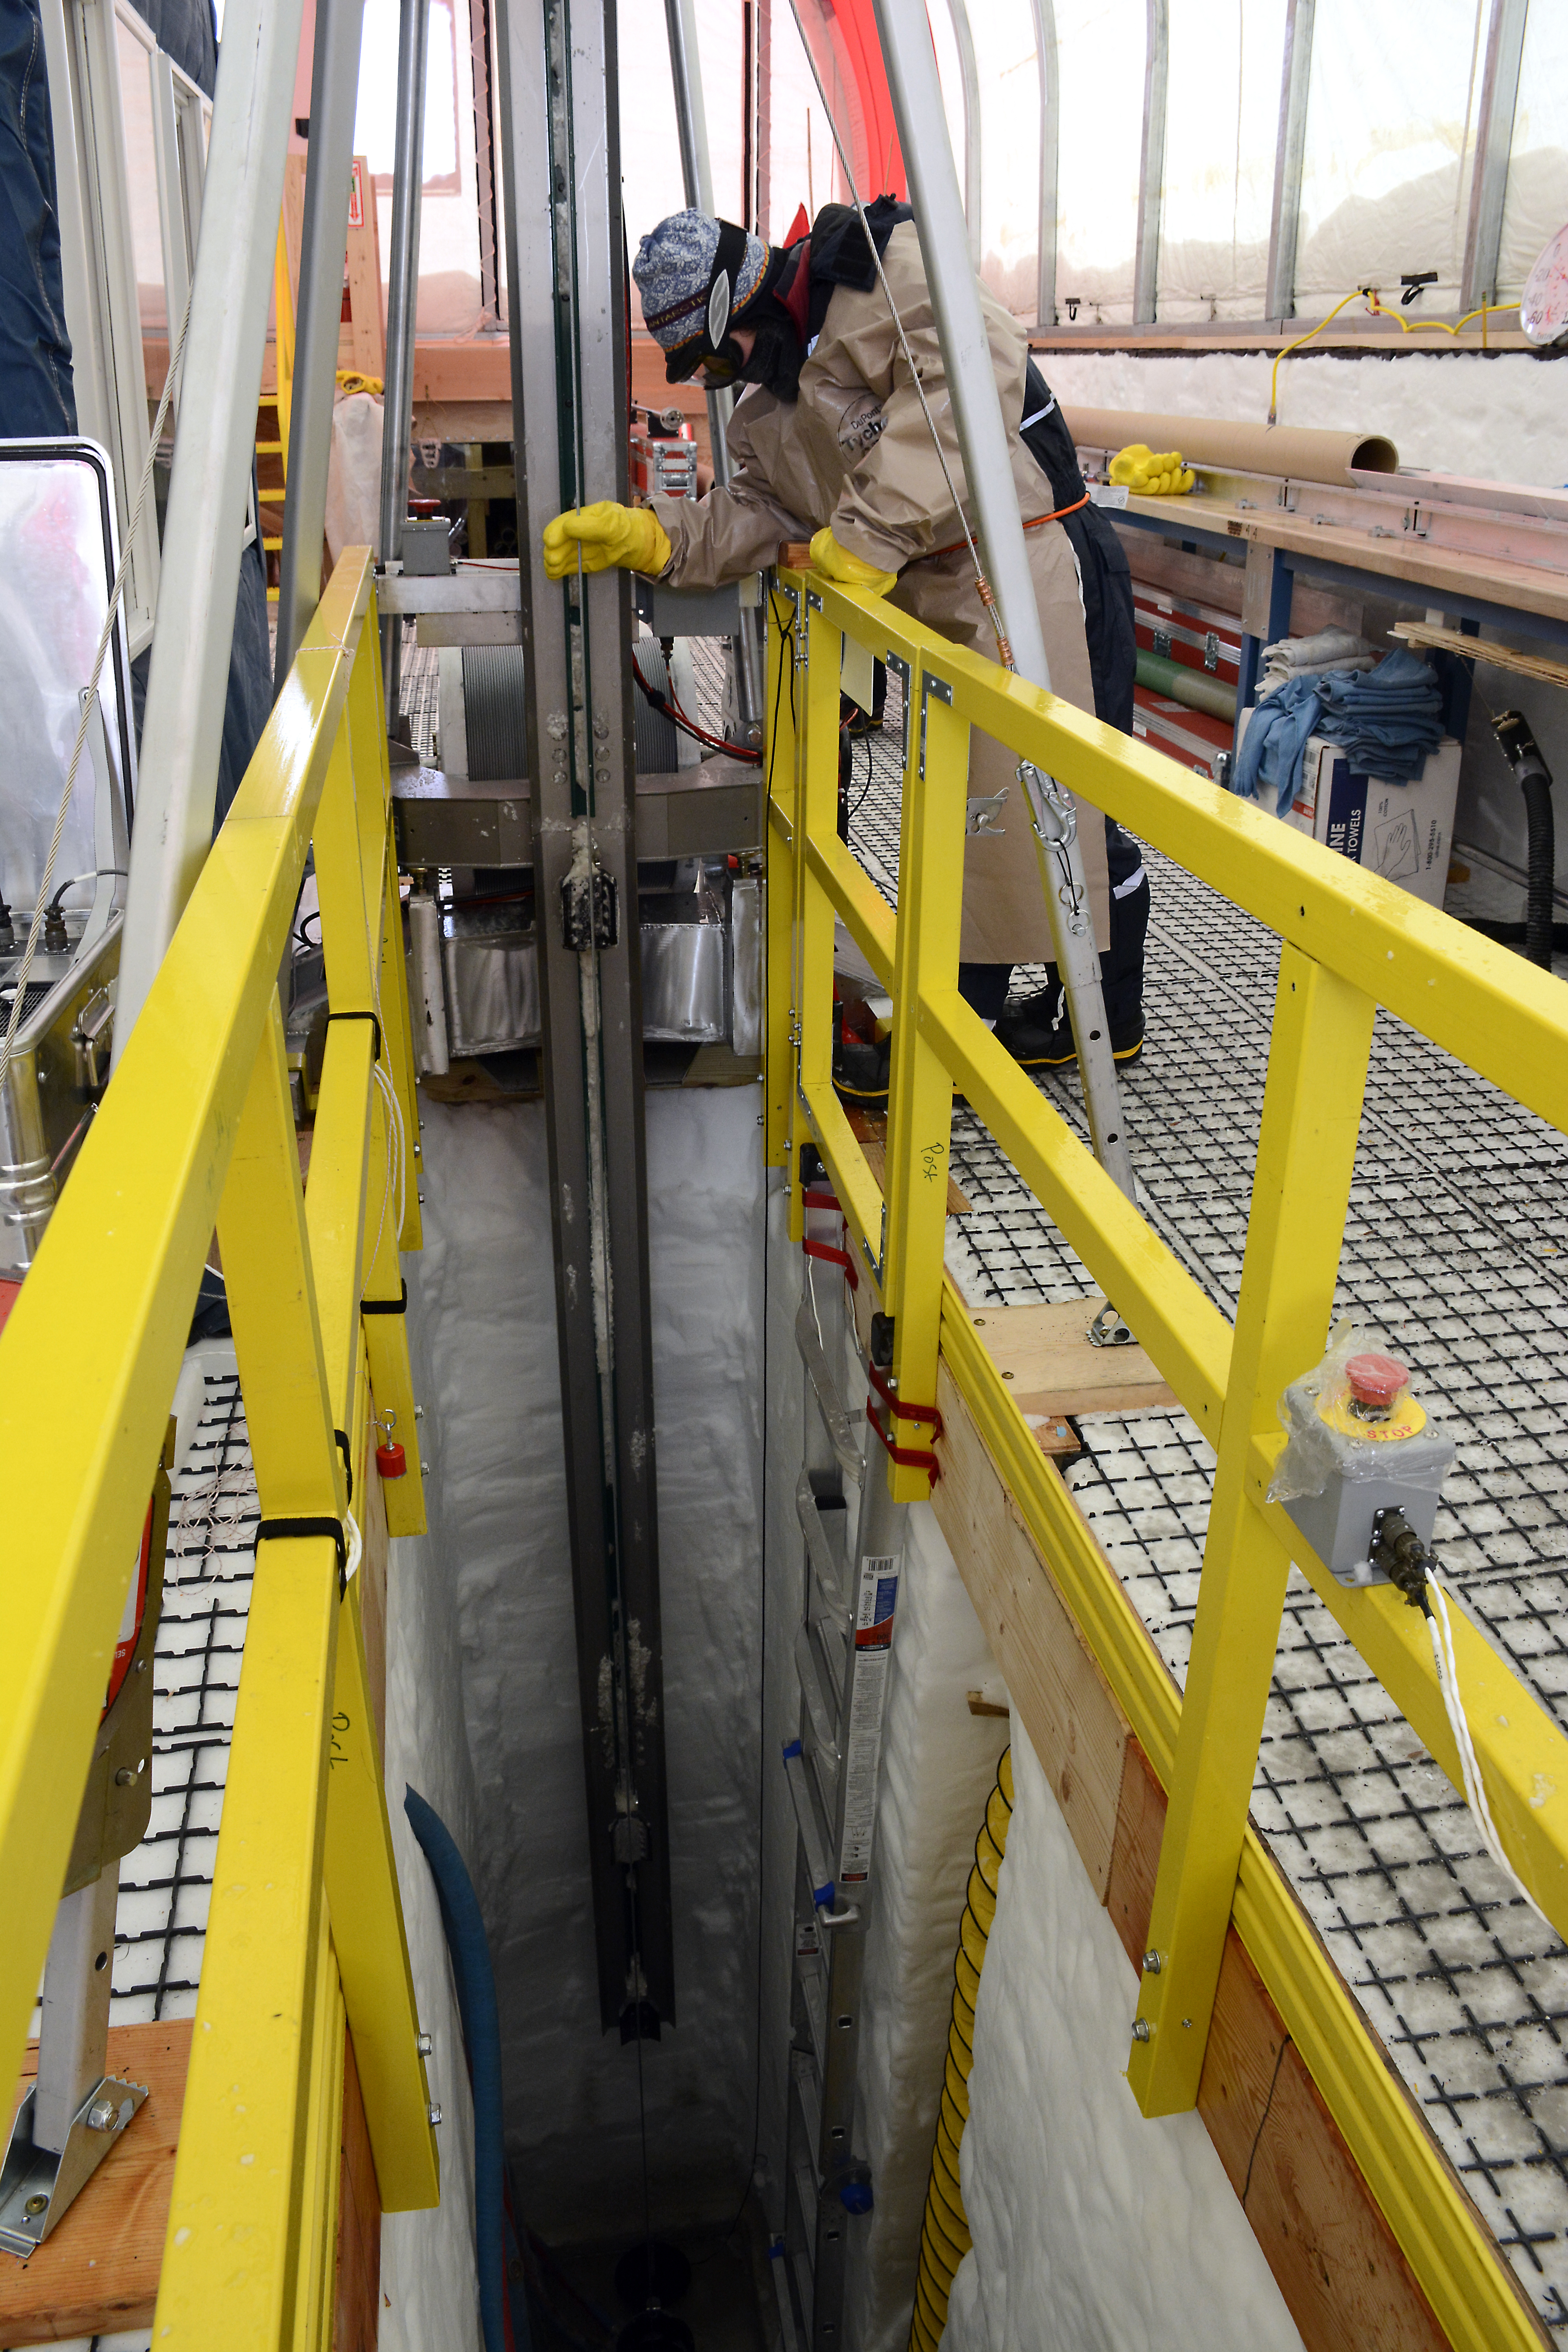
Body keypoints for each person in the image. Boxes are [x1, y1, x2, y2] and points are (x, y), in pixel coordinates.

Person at [541, 202, 1148, 1068]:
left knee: (1070, 806)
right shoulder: (773, 408)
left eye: (714, 356)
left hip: (1036, 562)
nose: (720, 380)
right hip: (942, 596)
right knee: (979, 815)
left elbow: (968, 383)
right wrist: (659, 539)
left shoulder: (885, 271)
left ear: (734, 306)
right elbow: (759, 508)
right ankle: (976, 1012)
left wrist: (865, 538)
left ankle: (1098, 1014)